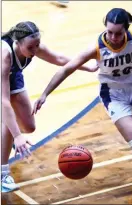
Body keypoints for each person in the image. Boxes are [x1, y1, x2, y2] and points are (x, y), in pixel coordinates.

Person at [33, 8, 132, 163]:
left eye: (118, 33)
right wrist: (45, 94)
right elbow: (66, 69)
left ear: (126, 29)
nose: (113, 37)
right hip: (113, 94)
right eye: (110, 32)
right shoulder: (96, 47)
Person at [1, 21, 98, 193]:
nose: (35, 51)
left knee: (28, 127)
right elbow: (4, 101)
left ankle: (8, 137)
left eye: (37, 46)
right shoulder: (5, 56)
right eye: (31, 48)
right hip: (3, 75)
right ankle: (2, 174)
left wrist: (88, 67)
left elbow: (59, 59)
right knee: (10, 125)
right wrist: (16, 135)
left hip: (13, 75)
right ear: (18, 43)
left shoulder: (33, 45)